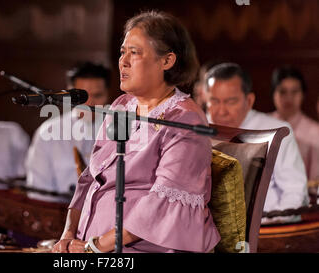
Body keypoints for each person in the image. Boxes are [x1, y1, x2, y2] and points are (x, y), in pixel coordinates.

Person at [52, 10, 220, 253]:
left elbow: (163, 203)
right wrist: (68, 233)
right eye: (123, 52)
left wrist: (94, 248)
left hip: (147, 247)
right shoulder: (122, 105)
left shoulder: (184, 118)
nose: (124, 61)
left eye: (135, 53)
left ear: (167, 61)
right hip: (91, 243)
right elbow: (91, 177)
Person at [204, 62, 309, 217]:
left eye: (230, 101)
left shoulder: (276, 131)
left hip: (266, 227)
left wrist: (272, 228)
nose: (221, 111)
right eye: (214, 101)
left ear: (249, 100)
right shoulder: (197, 128)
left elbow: (294, 191)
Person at [25, 62, 110, 203]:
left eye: (97, 95)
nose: (90, 103)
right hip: (58, 214)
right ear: (69, 94)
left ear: (108, 93)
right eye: (82, 97)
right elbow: (38, 189)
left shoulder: (122, 129)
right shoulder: (48, 132)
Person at [270, 66, 319, 203]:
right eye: (283, 92)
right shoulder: (262, 127)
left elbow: (315, 182)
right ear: (273, 94)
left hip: (303, 202)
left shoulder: (315, 131)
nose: (288, 98)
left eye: (294, 92)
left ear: (302, 94)